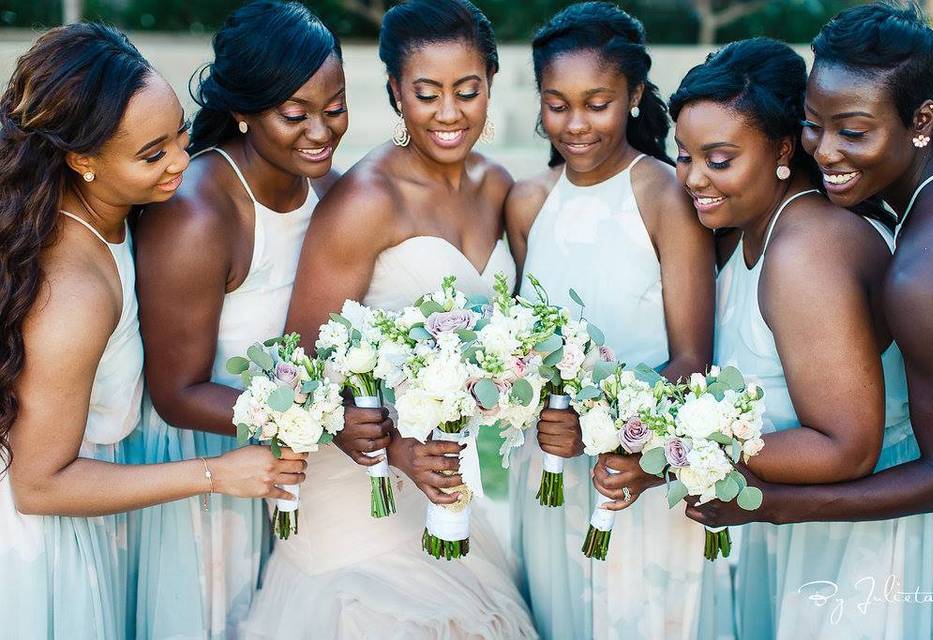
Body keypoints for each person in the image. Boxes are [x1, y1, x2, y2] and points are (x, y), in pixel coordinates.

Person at [0, 23, 306, 640]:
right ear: (81, 159)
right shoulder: (76, 292)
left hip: (99, 518)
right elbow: (37, 484)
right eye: (152, 155)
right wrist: (218, 474)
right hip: (46, 546)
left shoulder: (116, 215)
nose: (180, 163)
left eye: (180, 135)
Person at [241, 1, 536, 638]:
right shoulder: (364, 201)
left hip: (447, 476)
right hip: (358, 483)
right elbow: (303, 371)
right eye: (427, 94)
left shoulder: (499, 186)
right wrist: (396, 449)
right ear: (396, 94)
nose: (450, 113)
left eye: (468, 90)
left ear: (491, 79)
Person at [685, 5, 933, 638]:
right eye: (813, 125)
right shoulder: (919, 184)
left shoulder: (924, 272)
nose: (827, 149)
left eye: (854, 131)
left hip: (891, 552)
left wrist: (770, 507)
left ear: (921, 120)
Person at [132, 3, 376, 638]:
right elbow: (175, 393)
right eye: (295, 114)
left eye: (336, 107)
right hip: (209, 471)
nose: (321, 131)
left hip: (297, 469)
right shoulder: (198, 214)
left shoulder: (326, 189)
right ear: (243, 110)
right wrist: (319, 421)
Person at [504, 4, 718, 639]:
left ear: (633, 96)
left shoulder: (662, 197)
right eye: (556, 103)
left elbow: (690, 358)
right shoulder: (528, 200)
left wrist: (604, 430)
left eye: (596, 103)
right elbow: (524, 342)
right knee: (560, 609)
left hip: (636, 461)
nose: (575, 124)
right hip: (546, 459)